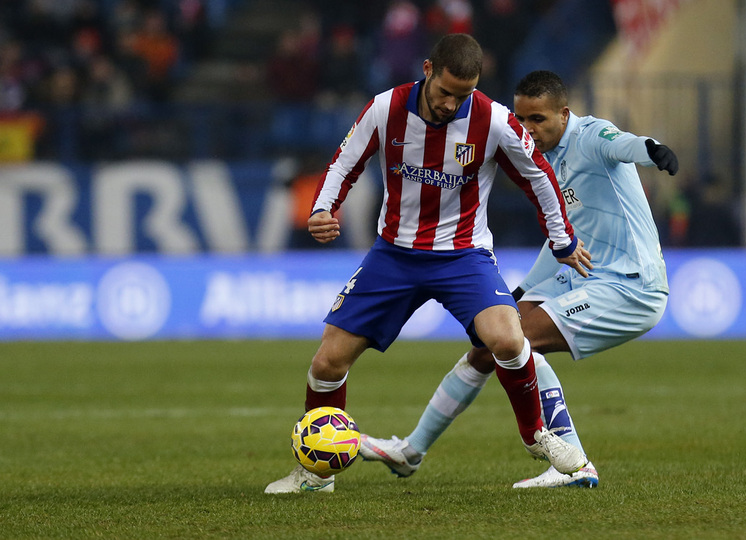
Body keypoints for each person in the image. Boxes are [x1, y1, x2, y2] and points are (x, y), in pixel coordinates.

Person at [265, 36, 593, 494]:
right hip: (394, 254)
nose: (451, 103)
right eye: (445, 91)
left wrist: (562, 240)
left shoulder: (493, 120)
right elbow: (344, 163)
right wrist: (323, 208)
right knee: (327, 362)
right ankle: (316, 475)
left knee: (507, 336)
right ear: (428, 69)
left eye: (463, 95)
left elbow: (539, 176)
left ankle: (538, 435)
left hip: (464, 255)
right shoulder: (385, 108)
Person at [359, 69, 679, 488]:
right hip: (586, 275)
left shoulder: (589, 136)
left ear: (563, 114)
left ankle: (575, 464)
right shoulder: (539, 160)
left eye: (538, 120)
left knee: (518, 341)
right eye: (521, 119)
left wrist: (652, 150)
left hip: (632, 285)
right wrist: (524, 289)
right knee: (490, 344)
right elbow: (560, 239)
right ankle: (411, 451)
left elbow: (623, 144)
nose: (528, 129)